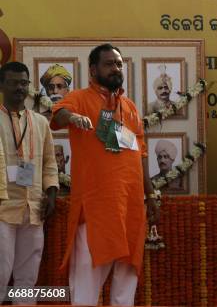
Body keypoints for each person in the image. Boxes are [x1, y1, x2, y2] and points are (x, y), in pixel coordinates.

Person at [51, 44, 159, 306]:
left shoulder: (130, 107)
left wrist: (150, 194)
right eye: (109, 64)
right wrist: (73, 117)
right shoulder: (80, 97)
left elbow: (141, 153)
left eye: (119, 64)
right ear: (93, 69)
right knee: (86, 287)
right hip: (96, 209)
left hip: (131, 208)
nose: (115, 68)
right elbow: (59, 116)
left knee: (126, 285)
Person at [0, 61, 58, 305]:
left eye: (24, 83)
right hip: (3, 208)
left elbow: (49, 163)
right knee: (1, 272)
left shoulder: (40, 122)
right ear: (2, 85)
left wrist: (52, 195)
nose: (19, 88)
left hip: (33, 208)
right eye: (13, 82)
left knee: (27, 276)